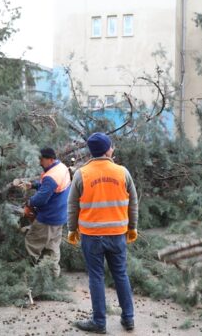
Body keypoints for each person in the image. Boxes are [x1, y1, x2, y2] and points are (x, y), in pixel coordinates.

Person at [67, 132, 138, 334]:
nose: (113, 149)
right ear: (107, 150)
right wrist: (132, 227)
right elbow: (133, 203)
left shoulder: (82, 173)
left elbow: (72, 205)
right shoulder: (122, 172)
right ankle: (129, 318)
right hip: (117, 234)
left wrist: (72, 229)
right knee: (121, 275)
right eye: (111, 146)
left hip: (92, 236)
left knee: (96, 277)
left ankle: (99, 322)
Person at [17, 148, 71, 277]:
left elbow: (41, 199)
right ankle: (52, 276)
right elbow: (51, 187)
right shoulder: (61, 167)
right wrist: (34, 185)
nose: (40, 162)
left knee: (32, 243)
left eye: (42, 159)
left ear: (50, 159)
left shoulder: (51, 177)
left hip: (47, 218)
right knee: (52, 247)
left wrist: (29, 203)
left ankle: (31, 275)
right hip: (60, 216)